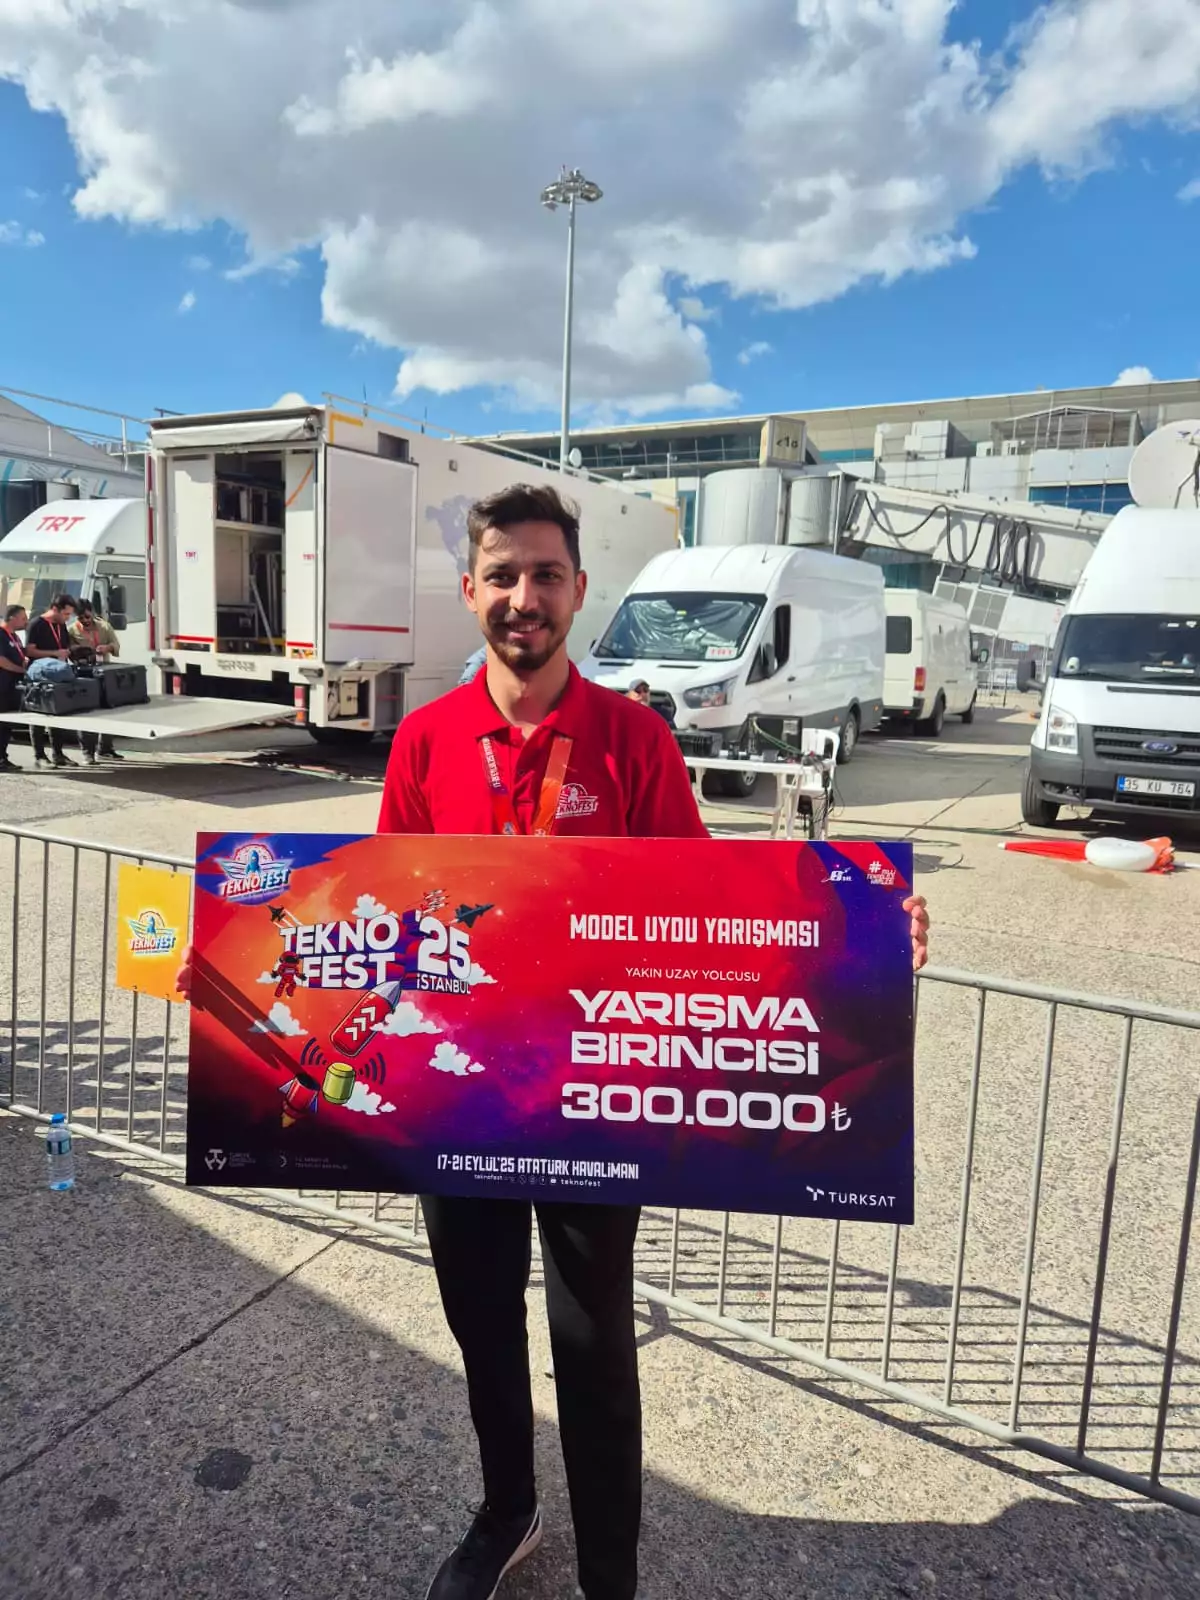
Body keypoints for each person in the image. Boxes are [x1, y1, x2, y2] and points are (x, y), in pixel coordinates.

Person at [176, 482, 930, 1600]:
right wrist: (241, 966)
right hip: (454, 1101)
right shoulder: (426, 741)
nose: (522, 597)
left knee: (592, 1338)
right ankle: (508, 1512)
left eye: (543, 575)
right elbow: (380, 921)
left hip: (593, 1102)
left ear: (577, 590)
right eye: (502, 575)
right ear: (469, 589)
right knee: (482, 1324)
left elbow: (718, 913)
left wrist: (861, 930)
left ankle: (611, 1572)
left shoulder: (634, 740)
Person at [24, 593, 78, 769]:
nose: (67, 618)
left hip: (58, 674)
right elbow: (29, 651)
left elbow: (63, 645)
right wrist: (54, 653)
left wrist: (69, 651)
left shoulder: (61, 625)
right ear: (55, 609)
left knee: (58, 713)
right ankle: (39, 756)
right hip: (40, 675)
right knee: (38, 716)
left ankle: (58, 754)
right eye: (65, 613)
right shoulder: (36, 624)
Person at [72, 599, 123, 763]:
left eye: (87, 616)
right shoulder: (72, 630)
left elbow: (116, 645)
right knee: (86, 713)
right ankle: (87, 752)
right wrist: (80, 652)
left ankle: (105, 748)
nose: (85, 621)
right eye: (81, 618)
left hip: (105, 673)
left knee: (109, 711)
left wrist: (107, 648)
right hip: (85, 675)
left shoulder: (104, 627)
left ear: (92, 612)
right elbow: (69, 651)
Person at [0, 603, 29, 771]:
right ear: (12, 618)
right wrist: (20, 669)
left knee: (7, 724)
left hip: (12, 688)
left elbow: (19, 654)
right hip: (2, 686)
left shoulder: (15, 637)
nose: (26, 621)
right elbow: (2, 660)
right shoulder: (1, 634)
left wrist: (24, 661)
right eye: (23, 618)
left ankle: (3, 757)